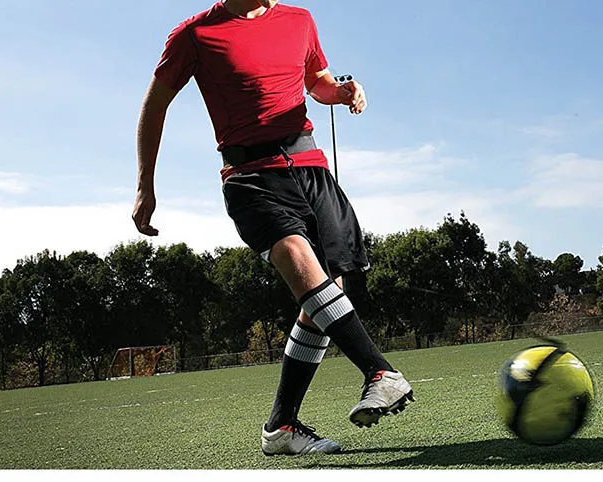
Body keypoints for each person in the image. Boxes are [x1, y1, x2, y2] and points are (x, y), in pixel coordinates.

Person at [133, 0, 414, 457]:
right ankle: (380, 373)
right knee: (296, 257)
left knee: (325, 293)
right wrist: (145, 184)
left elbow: (316, 82)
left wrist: (341, 92)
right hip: (251, 176)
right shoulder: (196, 34)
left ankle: (281, 428)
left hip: (310, 167)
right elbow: (155, 103)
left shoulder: (300, 20)